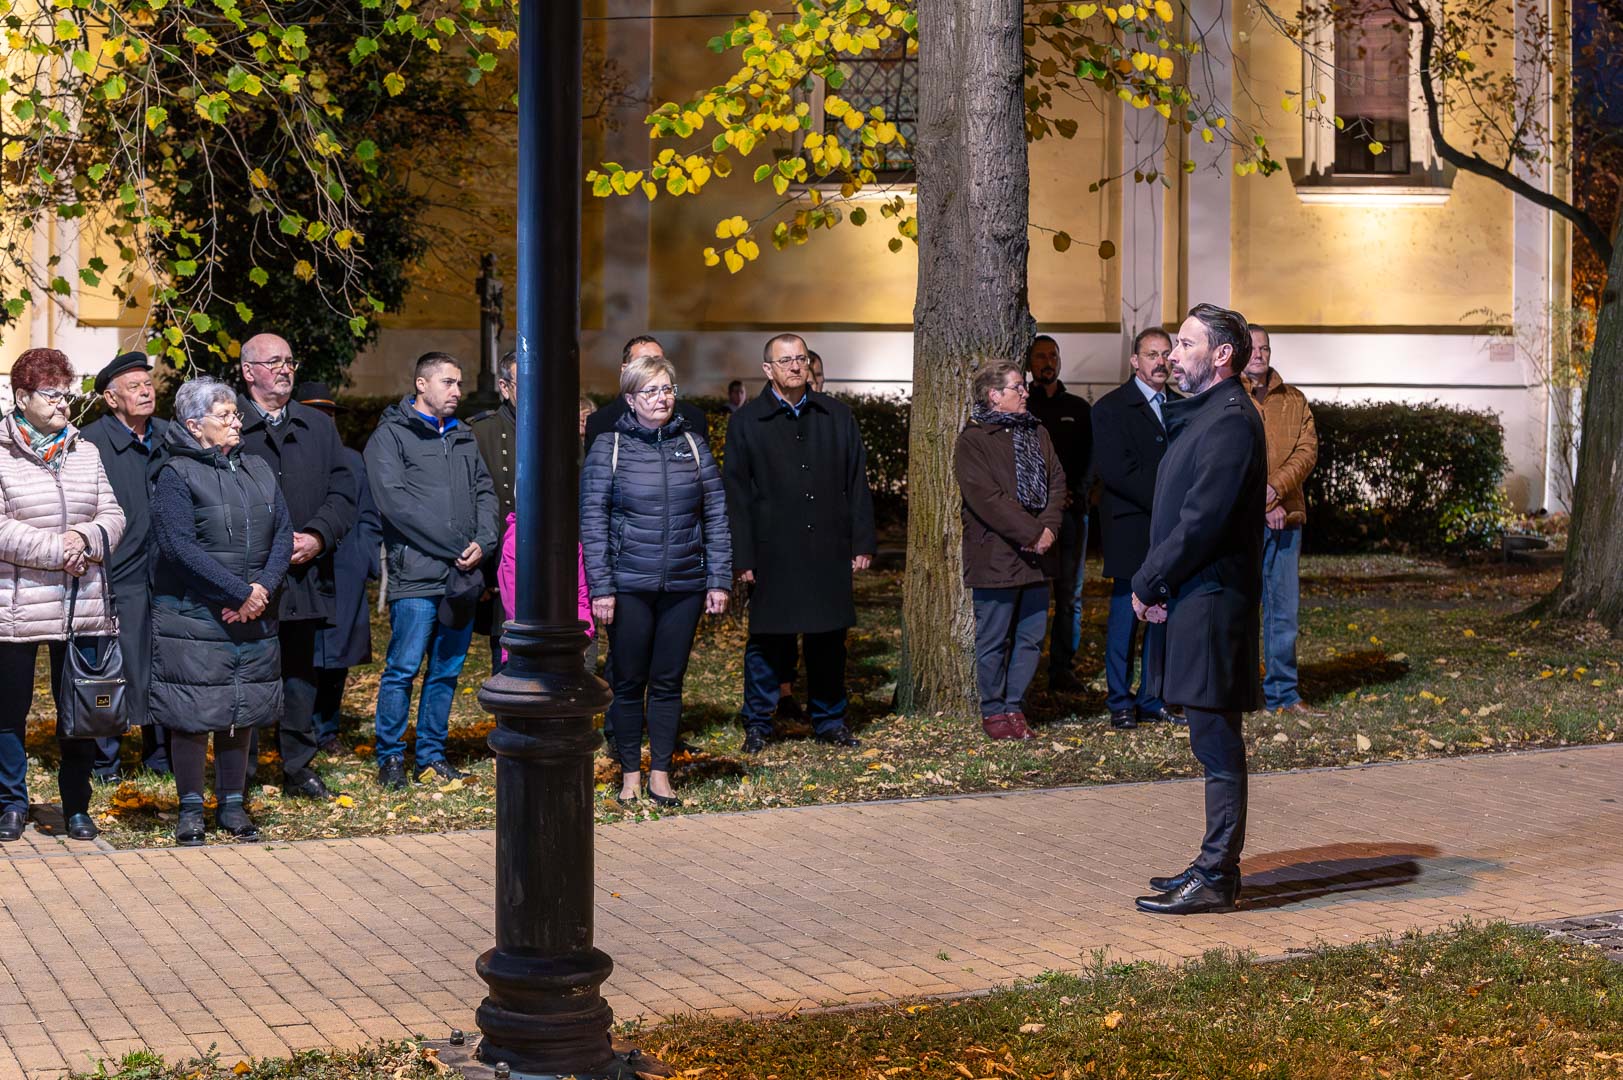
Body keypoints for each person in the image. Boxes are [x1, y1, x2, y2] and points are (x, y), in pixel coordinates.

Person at [1131, 304, 1267, 916]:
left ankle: (1216, 875)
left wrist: (1150, 579)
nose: (1173, 355)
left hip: (1213, 602)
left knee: (1216, 743)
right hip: (1196, 597)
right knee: (1208, 740)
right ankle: (1212, 866)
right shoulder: (1209, 413)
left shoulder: (1231, 420)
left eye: (1186, 345)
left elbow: (1201, 521)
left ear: (1222, 355)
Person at [580, 353, 731, 805]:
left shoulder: (693, 444)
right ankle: (630, 774)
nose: (662, 398)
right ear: (630, 399)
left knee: (668, 681)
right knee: (628, 682)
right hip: (628, 586)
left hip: (685, 585)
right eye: (651, 390)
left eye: (667, 389)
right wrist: (602, 588)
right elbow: (593, 522)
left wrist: (718, 579)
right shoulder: (608, 447)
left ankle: (660, 774)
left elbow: (716, 515)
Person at [150, 377, 293, 846]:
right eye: (225, 415)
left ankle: (232, 803)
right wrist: (236, 593)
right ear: (195, 426)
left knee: (241, 706)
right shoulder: (176, 473)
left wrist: (260, 591)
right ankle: (191, 809)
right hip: (195, 614)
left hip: (252, 610)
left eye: (236, 413)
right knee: (193, 712)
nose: (236, 421)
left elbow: (283, 533)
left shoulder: (257, 467)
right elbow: (178, 548)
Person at [724, 332, 875, 753]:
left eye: (801, 359)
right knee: (768, 641)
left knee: (829, 640)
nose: (795, 366)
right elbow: (736, 495)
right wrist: (742, 556)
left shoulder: (837, 415)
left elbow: (856, 481)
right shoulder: (747, 422)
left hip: (828, 545)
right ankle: (758, 722)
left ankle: (829, 720)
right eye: (785, 360)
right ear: (767, 369)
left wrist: (862, 541)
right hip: (772, 550)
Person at [0, 349, 127, 843]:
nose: (63, 404)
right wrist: (61, 550)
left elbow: (113, 515)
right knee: (7, 713)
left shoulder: (84, 450)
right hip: (15, 605)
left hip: (83, 603)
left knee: (79, 711)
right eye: (51, 395)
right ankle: (11, 804)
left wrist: (87, 539)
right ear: (22, 397)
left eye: (66, 394)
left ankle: (76, 806)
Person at [364, 352, 498, 791]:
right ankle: (390, 757)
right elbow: (397, 506)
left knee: (446, 670)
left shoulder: (462, 435)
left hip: (461, 577)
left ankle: (431, 756)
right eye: (448, 382)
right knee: (402, 669)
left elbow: (485, 492)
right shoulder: (391, 436)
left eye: (459, 382)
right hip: (416, 577)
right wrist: (458, 546)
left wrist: (484, 540)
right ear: (421, 385)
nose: (457, 391)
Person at [235, 333, 358, 800]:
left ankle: (298, 766)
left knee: (301, 675)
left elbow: (344, 492)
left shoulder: (317, 426)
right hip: (248, 577)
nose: (285, 369)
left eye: (289, 361)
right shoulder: (229, 424)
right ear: (249, 372)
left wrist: (318, 536)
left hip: (304, 573)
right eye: (274, 362)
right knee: (247, 671)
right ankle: (240, 771)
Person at [956, 361, 1065, 740]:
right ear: (994, 395)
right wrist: (1032, 532)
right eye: (1017, 387)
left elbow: (1057, 481)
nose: (1025, 392)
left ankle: (1015, 707)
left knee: (1031, 637)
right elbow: (986, 498)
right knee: (994, 638)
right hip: (996, 556)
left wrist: (1048, 528)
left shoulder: (1038, 431)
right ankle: (994, 711)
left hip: (1038, 556)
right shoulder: (974, 440)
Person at [80, 350, 171, 778]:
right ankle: (105, 762)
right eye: (134, 387)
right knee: (111, 668)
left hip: (167, 574)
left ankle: (161, 756)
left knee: (164, 664)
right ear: (111, 398)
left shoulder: (170, 436)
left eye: (148, 384)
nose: (146, 392)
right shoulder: (90, 443)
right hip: (116, 574)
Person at [1092, 328, 1180, 729]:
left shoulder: (1181, 407)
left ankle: (1152, 696)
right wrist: (1168, 499)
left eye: (1165, 355)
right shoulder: (1111, 408)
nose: (1160, 362)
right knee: (1126, 615)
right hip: (1131, 527)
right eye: (1151, 354)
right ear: (1134, 361)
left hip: (1170, 530)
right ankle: (1119, 699)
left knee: (1163, 613)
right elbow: (1117, 472)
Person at [295, 383, 382, 753]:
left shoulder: (353, 460)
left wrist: (364, 559)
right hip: (304, 568)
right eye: (316, 414)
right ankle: (297, 730)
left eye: (329, 415)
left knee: (338, 654)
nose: (325, 421)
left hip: (346, 568)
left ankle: (327, 730)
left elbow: (369, 515)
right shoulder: (290, 458)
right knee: (302, 654)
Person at [1242, 327, 1322, 718]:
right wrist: (1261, 502)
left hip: (1287, 519)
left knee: (1284, 611)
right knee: (1241, 610)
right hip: (1241, 523)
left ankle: (1283, 693)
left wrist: (1274, 490)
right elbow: (1230, 458)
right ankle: (1242, 693)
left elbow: (1307, 452)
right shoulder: (1228, 397)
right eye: (1252, 347)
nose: (1259, 354)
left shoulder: (1294, 400)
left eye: (1265, 347)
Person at [1023, 335, 1093, 693]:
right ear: (1029, 363)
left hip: (1071, 516)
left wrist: (1074, 494)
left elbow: (1091, 459)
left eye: (1053, 355)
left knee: (1069, 596)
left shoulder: (1079, 409)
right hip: (1032, 518)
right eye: (1040, 356)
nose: (1047, 362)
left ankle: (1062, 668)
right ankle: (1025, 670)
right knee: (1032, 594)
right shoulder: (1023, 408)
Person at [583, 336, 710, 455]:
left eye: (658, 361)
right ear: (625, 369)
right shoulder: (600, 423)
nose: (652, 367)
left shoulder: (693, 419)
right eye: (644, 362)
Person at [470, 351, 517, 673]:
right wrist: (486, 572)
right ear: (504, 386)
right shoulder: (481, 431)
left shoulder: (559, 428)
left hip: (550, 567)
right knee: (505, 655)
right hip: (501, 565)